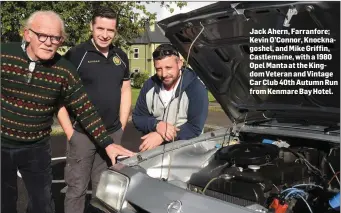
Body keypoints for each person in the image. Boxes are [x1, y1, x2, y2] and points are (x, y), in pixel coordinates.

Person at [1, 10, 134, 213]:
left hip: (37, 147)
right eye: (42, 35)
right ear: (28, 34)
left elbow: (84, 109)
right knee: (5, 200)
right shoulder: (5, 55)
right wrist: (73, 134)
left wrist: (108, 143)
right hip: (3, 143)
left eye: (55, 38)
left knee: (42, 203)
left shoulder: (64, 70)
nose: (49, 42)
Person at [56, 7, 132, 213]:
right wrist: (70, 133)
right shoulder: (76, 54)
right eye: (100, 28)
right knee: (77, 189)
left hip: (112, 133)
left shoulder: (121, 56)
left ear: (115, 31)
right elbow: (59, 96)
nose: (105, 35)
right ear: (91, 26)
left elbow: (125, 90)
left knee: (106, 190)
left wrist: (121, 127)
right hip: (82, 135)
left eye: (110, 30)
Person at [132, 44, 209, 151]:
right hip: (153, 151)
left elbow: (195, 127)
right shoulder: (149, 85)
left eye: (168, 68)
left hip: (187, 151)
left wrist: (162, 136)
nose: (164, 74)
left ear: (180, 64)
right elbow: (138, 117)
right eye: (158, 69)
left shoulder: (196, 88)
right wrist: (157, 125)